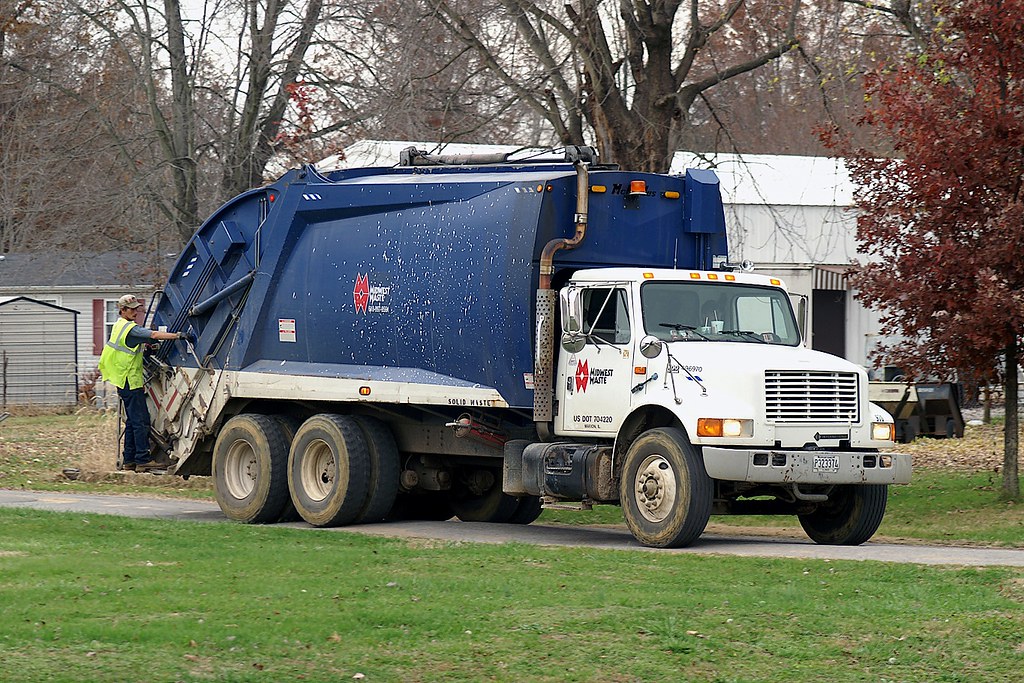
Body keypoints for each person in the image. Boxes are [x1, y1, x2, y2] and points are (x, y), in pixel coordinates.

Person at [98, 294, 187, 473]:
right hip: (130, 381)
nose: (136, 312)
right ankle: (142, 460)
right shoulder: (130, 329)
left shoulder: (118, 326)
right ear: (122, 310)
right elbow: (153, 334)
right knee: (141, 421)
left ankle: (129, 460)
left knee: (132, 421)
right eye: (131, 309)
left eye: (136, 308)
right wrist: (178, 336)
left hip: (122, 380)